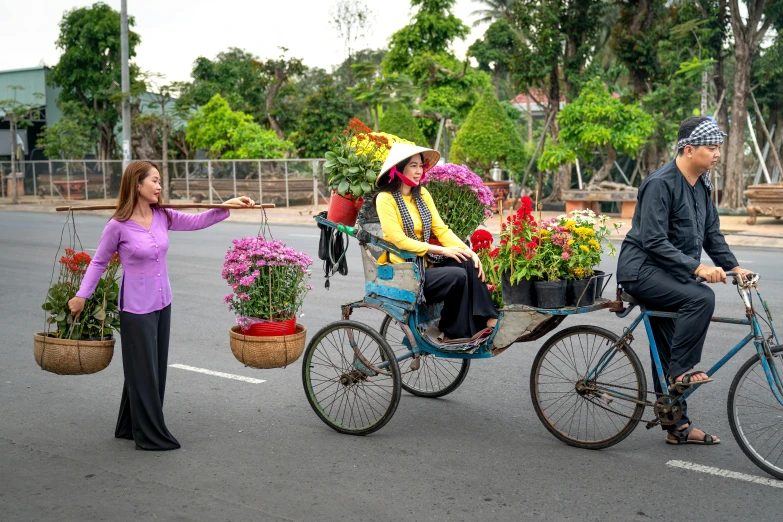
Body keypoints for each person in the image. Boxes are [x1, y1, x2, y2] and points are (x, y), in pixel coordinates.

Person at [68, 161, 254, 451]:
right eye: (154, 181)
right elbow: (99, 262)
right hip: (135, 308)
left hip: (162, 302)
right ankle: (150, 434)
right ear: (137, 185)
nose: (158, 186)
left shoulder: (162, 216)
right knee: (143, 371)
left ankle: (130, 425)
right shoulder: (117, 225)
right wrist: (82, 295)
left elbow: (197, 221)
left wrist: (225, 206)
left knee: (153, 367)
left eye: (159, 181)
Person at [616, 117, 753, 446]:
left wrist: (734, 268)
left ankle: (676, 427)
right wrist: (697, 269)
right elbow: (653, 241)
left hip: (669, 274)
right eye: (711, 147)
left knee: (666, 349)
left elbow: (712, 235)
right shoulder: (660, 183)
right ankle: (682, 370)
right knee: (701, 297)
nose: (717, 153)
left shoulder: (703, 186)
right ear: (689, 149)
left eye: (719, 147)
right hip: (641, 270)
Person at [373, 143, 498, 341]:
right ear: (399, 168)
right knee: (457, 275)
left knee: (467, 261)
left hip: (426, 264)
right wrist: (442, 251)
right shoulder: (385, 199)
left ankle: (486, 319)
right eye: (413, 165)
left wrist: (469, 251)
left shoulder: (422, 195)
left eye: (420, 166)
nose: (419, 171)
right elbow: (399, 240)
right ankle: (452, 329)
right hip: (405, 271)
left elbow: (441, 230)